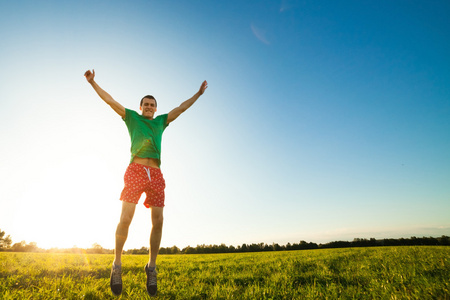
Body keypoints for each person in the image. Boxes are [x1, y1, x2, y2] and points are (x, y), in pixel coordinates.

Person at [84, 69, 208, 297]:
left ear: (156, 109)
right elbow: (109, 100)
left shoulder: (161, 122)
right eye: (146, 104)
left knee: (158, 221)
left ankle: (151, 267)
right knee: (126, 218)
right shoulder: (131, 117)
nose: (149, 107)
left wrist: (198, 94)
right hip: (135, 171)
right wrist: (93, 83)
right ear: (140, 107)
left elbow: (181, 108)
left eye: (152, 104)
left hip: (156, 174)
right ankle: (117, 265)